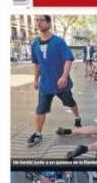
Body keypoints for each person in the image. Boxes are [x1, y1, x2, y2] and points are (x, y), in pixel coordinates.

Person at [28, 15, 82, 147]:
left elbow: (68, 59)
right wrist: (35, 79)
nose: (38, 23)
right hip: (45, 84)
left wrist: (64, 76)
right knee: (41, 109)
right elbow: (37, 64)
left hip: (60, 84)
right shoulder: (35, 44)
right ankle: (38, 134)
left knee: (70, 102)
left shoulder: (58, 41)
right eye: (37, 20)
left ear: (49, 23)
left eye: (41, 20)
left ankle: (77, 117)